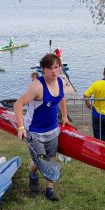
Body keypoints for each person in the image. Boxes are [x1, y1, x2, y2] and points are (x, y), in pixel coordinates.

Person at [14, 53, 69, 201]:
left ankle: (49, 190)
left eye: (56, 67)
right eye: (50, 68)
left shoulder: (61, 82)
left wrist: (64, 116)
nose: (54, 71)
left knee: (50, 159)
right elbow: (18, 105)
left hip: (52, 130)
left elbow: (62, 98)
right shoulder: (37, 86)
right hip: (35, 131)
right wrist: (20, 127)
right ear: (43, 69)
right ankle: (32, 173)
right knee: (40, 161)